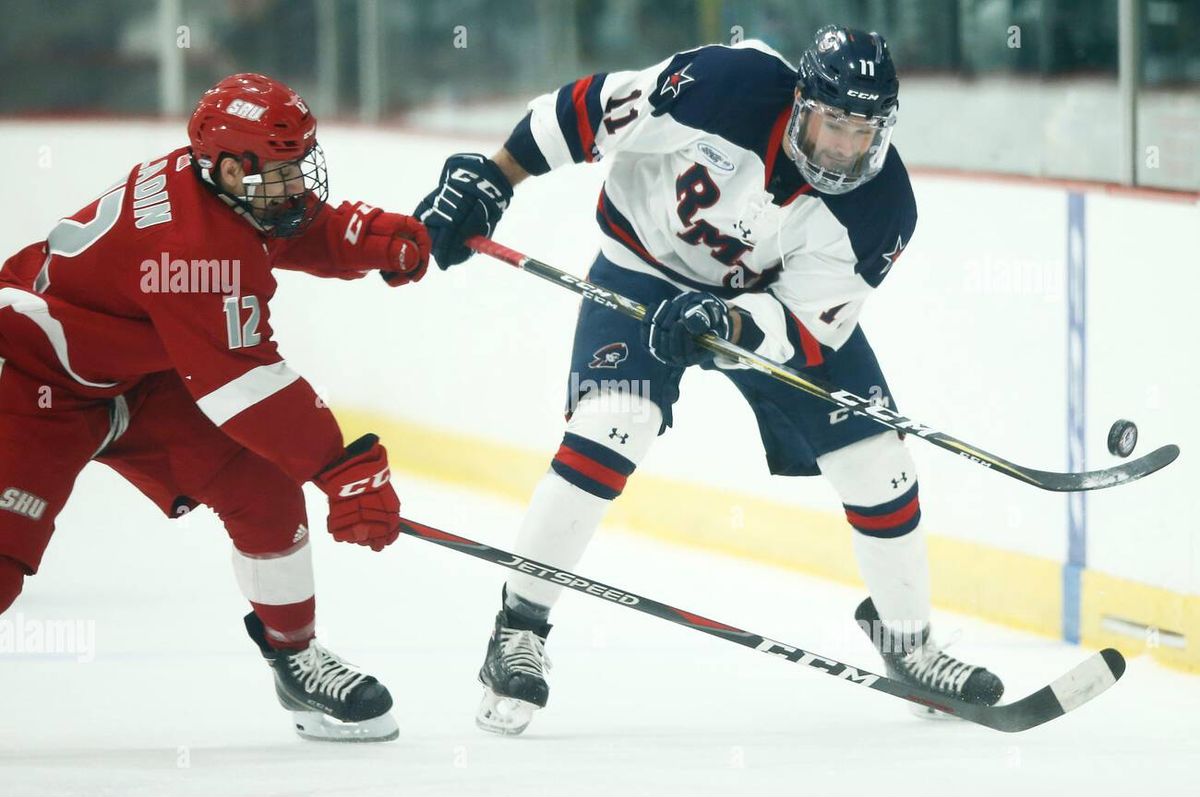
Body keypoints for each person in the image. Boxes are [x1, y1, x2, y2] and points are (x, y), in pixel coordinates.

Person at [416, 26, 1005, 735]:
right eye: (833, 124)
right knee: (613, 423)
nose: (846, 147)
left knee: (879, 464)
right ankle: (519, 630)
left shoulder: (882, 208)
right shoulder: (724, 84)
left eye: (863, 130)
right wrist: (495, 174)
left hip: (763, 307)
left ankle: (908, 647)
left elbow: (804, 325)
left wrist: (727, 325)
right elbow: (588, 108)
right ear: (801, 100)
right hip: (641, 264)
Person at [0, 73, 431, 742]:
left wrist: (368, 238)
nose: (298, 185)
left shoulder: (226, 190)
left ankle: (294, 659)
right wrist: (342, 469)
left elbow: (291, 226)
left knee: (264, 491)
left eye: (298, 166)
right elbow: (245, 384)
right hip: (30, 380)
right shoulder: (192, 247)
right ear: (230, 165)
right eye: (284, 169)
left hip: (140, 373)